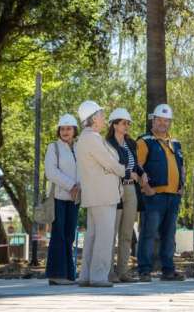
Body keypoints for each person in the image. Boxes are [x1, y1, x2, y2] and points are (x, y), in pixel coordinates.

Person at [76, 101, 125, 287]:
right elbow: (109, 162)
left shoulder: (87, 138)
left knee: (93, 237)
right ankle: (98, 276)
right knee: (104, 237)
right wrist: (123, 170)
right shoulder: (92, 138)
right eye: (102, 115)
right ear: (94, 118)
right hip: (103, 194)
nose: (104, 119)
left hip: (96, 194)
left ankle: (87, 275)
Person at [136, 104, 186, 282]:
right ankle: (144, 271)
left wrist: (182, 185)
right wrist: (146, 188)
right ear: (153, 121)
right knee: (149, 234)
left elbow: (181, 166)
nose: (163, 124)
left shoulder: (175, 143)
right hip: (154, 196)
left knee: (169, 235)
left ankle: (168, 270)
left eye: (166, 121)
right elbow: (137, 166)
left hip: (173, 197)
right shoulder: (144, 141)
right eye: (160, 120)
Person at [106, 108, 143, 283]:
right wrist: (130, 173)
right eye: (123, 123)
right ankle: (108, 272)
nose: (127, 126)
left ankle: (123, 271)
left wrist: (142, 173)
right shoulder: (107, 144)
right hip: (114, 188)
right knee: (111, 233)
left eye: (128, 123)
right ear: (114, 125)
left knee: (127, 233)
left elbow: (136, 165)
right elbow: (110, 167)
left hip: (130, 190)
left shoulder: (131, 143)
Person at [44, 114, 80, 286]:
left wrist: (79, 187)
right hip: (59, 198)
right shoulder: (53, 147)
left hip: (75, 199)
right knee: (58, 235)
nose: (65, 132)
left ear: (74, 130)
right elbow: (51, 172)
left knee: (69, 236)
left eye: (69, 128)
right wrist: (71, 185)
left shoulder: (79, 148)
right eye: (62, 129)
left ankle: (69, 275)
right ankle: (56, 275)